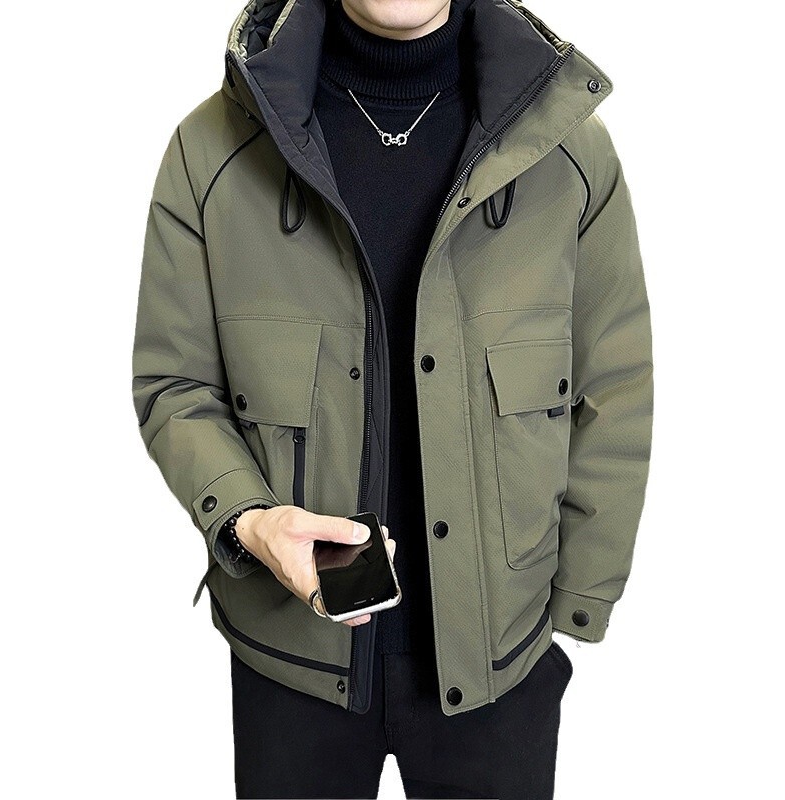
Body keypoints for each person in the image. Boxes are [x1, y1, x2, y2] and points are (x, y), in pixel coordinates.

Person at [131, 0, 654, 797]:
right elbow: (174, 382)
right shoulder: (213, 151)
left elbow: (615, 384)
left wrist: (581, 593)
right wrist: (248, 519)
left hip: (500, 663)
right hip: (292, 662)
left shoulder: (565, 148)